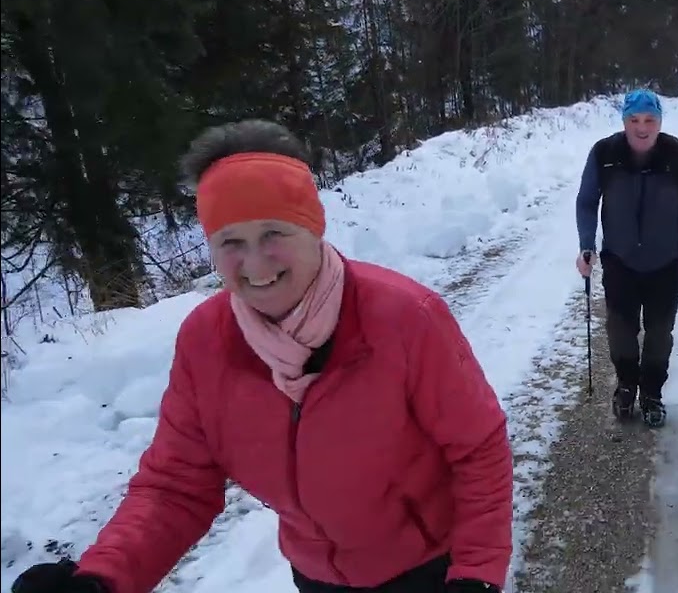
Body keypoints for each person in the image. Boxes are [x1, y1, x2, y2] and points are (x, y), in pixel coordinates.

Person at [11, 120, 513, 593]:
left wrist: (475, 572)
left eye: (274, 233)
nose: (254, 263)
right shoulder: (206, 340)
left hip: (427, 568)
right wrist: (103, 578)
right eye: (231, 241)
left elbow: (478, 449)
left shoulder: (405, 318)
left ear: (313, 228)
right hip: (316, 575)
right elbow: (175, 485)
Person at [574, 89, 678, 428]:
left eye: (649, 119)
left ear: (660, 121)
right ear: (624, 121)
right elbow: (586, 201)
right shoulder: (604, 154)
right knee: (621, 328)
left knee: (659, 333)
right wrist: (586, 245)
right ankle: (626, 385)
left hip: (666, 263)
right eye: (634, 119)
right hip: (620, 261)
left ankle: (652, 393)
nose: (642, 127)